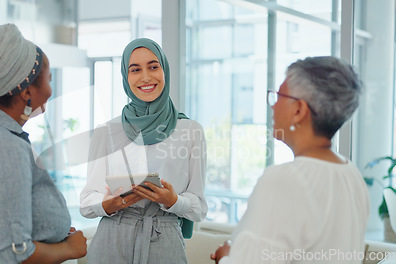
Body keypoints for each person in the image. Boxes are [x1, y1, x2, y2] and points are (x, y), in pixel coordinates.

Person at [0, 23, 87, 264]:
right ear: (27, 92)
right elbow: (14, 252)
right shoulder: (3, 146)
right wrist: (70, 250)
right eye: (48, 81)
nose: (52, 91)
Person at [211, 56, 369, 264]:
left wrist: (225, 258)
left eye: (278, 96)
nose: (273, 106)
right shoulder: (352, 175)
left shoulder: (284, 179)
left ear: (299, 110)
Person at [79, 38, 208, 264]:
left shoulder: (191, 130)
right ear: (126, 78)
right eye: (135, 69)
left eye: (153, 67)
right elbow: (87, 201)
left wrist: (173, 200)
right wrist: (108, 203)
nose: (146, 77)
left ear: (164, 70)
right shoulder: (106, 132)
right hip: (112, 240)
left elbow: (199, 208)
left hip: (164, 239)